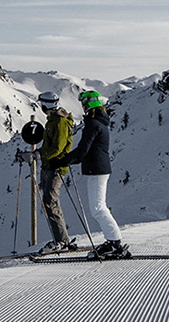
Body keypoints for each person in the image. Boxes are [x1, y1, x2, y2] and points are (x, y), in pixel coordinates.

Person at [61, 90, 129, 259]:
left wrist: (63, 161)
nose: (82, 105)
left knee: (98, 209)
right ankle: (113, 241)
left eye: (84, 102)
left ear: (89, 104)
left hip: (97, 170)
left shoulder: (93, 124)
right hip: (98, 169)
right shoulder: (99, 122)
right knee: (99, 208)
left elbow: (83, 149)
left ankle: (115, 243)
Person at [35, 91, 77, 254]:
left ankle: (61, 241)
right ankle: (61, 239)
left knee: (51, 203)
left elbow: (57, 148)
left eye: (42, 104)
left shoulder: (59, 122)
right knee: (50, 203)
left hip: (55, 167)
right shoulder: (54, 120)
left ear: (46, 105)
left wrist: (40, 154)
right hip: (50, 166)